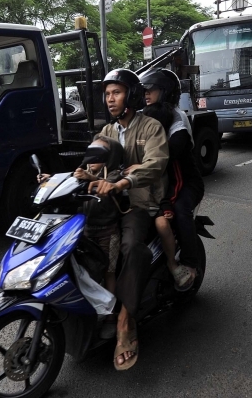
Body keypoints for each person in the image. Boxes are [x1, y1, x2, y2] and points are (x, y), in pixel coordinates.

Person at [89, 68, 169, 370]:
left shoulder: (150, 128)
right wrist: (67, 176)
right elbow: (93, 161)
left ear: (131, 95)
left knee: (133, 247)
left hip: (138, 204)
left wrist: (123, 182)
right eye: (107, 94)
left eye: (116, 93)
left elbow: (155, 164)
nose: (110, 99)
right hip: (107, 206)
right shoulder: (107, 132)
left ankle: (125, 320)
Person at [139, 68, 204, 291]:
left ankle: (190, 265)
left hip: (184, 182)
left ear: (165, 91)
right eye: (144, 90)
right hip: (156, 180)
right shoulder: (144, 113)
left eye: (151, 89)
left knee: (180, 209)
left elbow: (172, 151)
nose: (146, 93)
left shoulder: (178, 118)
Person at [72, 136, 124, 339]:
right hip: (86, 231)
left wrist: (90, 179)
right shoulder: (84, 172)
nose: (92, 159)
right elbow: (66, 180)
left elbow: (109, 185)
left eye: (98, 154)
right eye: (90, 153)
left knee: (109, 273)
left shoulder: (114, 173)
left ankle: (111, 316)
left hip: (107, 232)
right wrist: (50, 179)